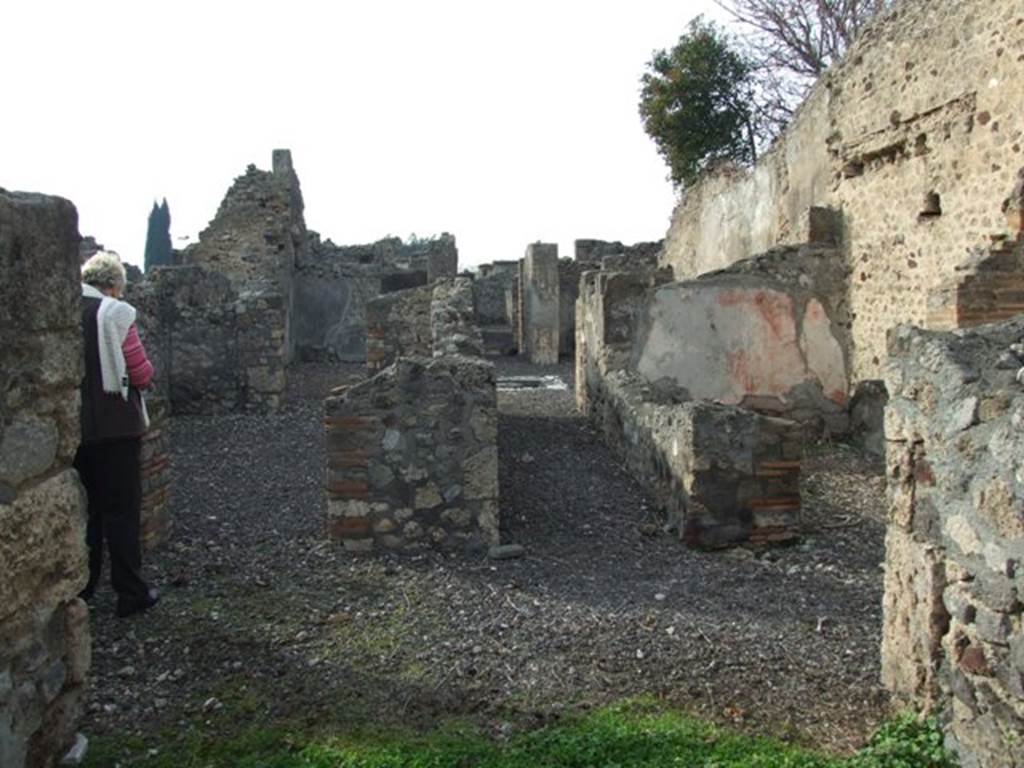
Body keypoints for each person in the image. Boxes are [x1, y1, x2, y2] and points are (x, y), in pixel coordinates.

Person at [75, 250, 160, 618]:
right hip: (117, 427)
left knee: (88, 512)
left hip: (75, 428)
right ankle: (130, 591)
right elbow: (139, 372)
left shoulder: (66, 310)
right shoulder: (115, 313)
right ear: (112, 285)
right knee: (122, 511)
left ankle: (84, 589)